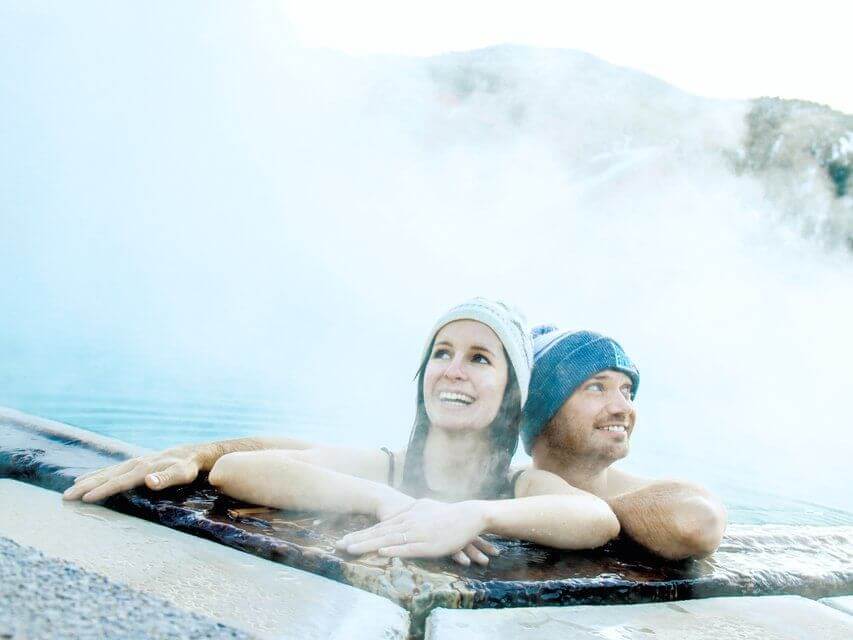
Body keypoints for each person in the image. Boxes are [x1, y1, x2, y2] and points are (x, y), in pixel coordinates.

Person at [64, 300, 620, 565]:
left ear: (510, 394)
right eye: (442, 353)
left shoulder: (518, 487)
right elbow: (239, 470)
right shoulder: (389, 468)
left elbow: (596, 518)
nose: (453, 369)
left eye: (480, 358)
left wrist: (475, 513)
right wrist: (386, 500)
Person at [511, 327, 727, 560]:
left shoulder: (648, 495)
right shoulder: (505, 482)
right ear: (541, 410)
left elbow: (700, 523)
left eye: (626, 391)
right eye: (597, 387)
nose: (624, 407)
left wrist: (580, 514)